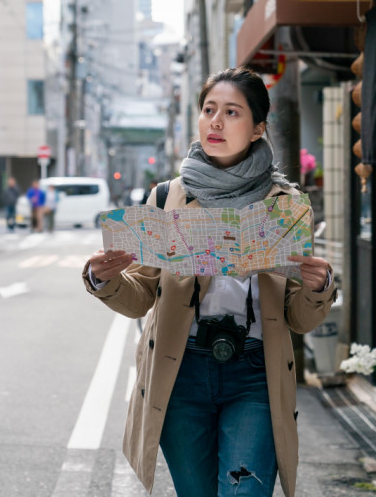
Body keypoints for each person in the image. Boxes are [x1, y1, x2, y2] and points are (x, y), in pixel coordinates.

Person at [82, 68, 335, 497]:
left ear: (257, 128)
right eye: (209, 110)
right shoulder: (166, 198)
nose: (215, 121)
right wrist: (102, 279)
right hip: (181, 371)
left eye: (231, 112)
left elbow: (298, 316)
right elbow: (142, 297)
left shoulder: (285, 206)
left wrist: (319, 287)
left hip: (255, 373)